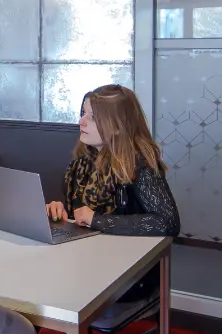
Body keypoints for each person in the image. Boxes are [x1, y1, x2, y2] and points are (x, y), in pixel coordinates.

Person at [46, 83, 180, 302]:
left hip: (128, 272)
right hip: (88, 258)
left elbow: (168, 222)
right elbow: (78, 214)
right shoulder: (82, 162)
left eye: (92, 117)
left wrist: (96, 220)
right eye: (82, 114)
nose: (81, 122)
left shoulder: (141, 165)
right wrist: (59, 211)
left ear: (117, 125)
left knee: (44, 277)